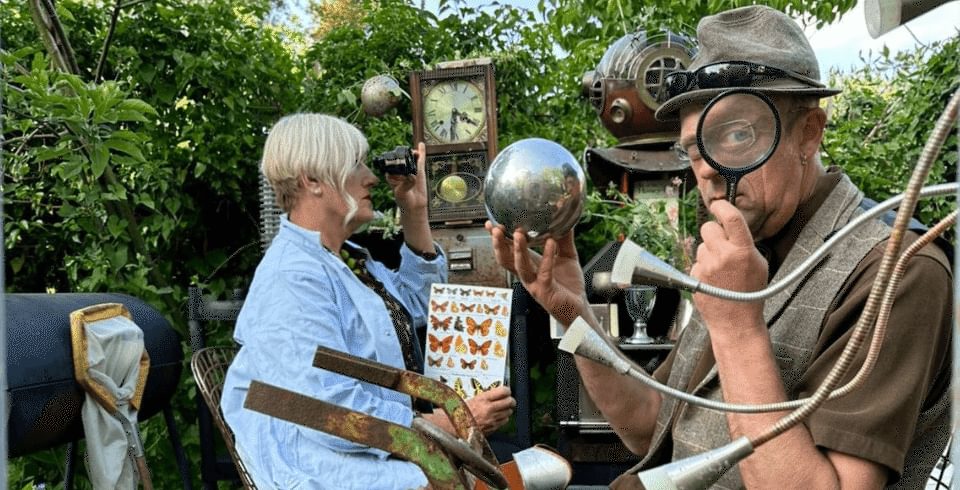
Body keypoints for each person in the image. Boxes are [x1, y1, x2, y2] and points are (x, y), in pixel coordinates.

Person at [487, 5, 951, 489]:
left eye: (735, 134)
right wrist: (573, 312)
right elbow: (649, 423)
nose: (706, 167)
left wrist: (737, 328)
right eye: (693, 148)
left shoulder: (896, 270)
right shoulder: (745, 252)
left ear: (808, 134)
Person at [222, 113, 516, 489]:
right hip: (326, 469)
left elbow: (416, 305)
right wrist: (449, 422)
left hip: (377, 450)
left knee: (531, 468)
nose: (371, 177)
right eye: (355, 164)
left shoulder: (343, 260)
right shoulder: (292, 278)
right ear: (311, 180)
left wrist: (414, 210)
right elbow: (329, 415)